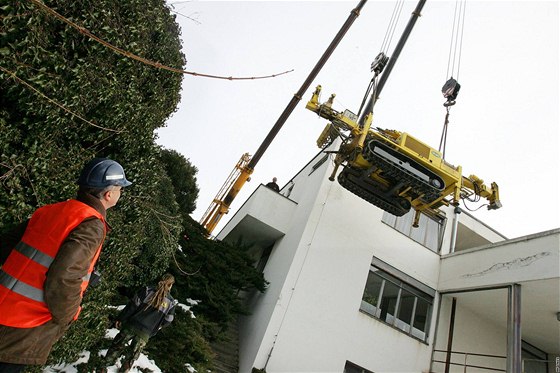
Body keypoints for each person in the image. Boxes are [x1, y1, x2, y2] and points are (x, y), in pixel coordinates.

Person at [0, 158, 132, 373]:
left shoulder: (50, 210)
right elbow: (64, 277)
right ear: (108, 194)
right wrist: (67, 317)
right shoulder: (92, 224)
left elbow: (7, 246)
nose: (120, 193)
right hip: (25, 325)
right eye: (120, 188)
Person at [103, 274, 177, 373]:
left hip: (131, 326)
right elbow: (168, 320)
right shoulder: (171, 303)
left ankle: (103, 368)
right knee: (130, 358)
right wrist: (157, 326)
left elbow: (132, 306)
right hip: (145, 334)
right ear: (171, 285)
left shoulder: (146, 290)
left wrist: (120, 319)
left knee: (115, 348)